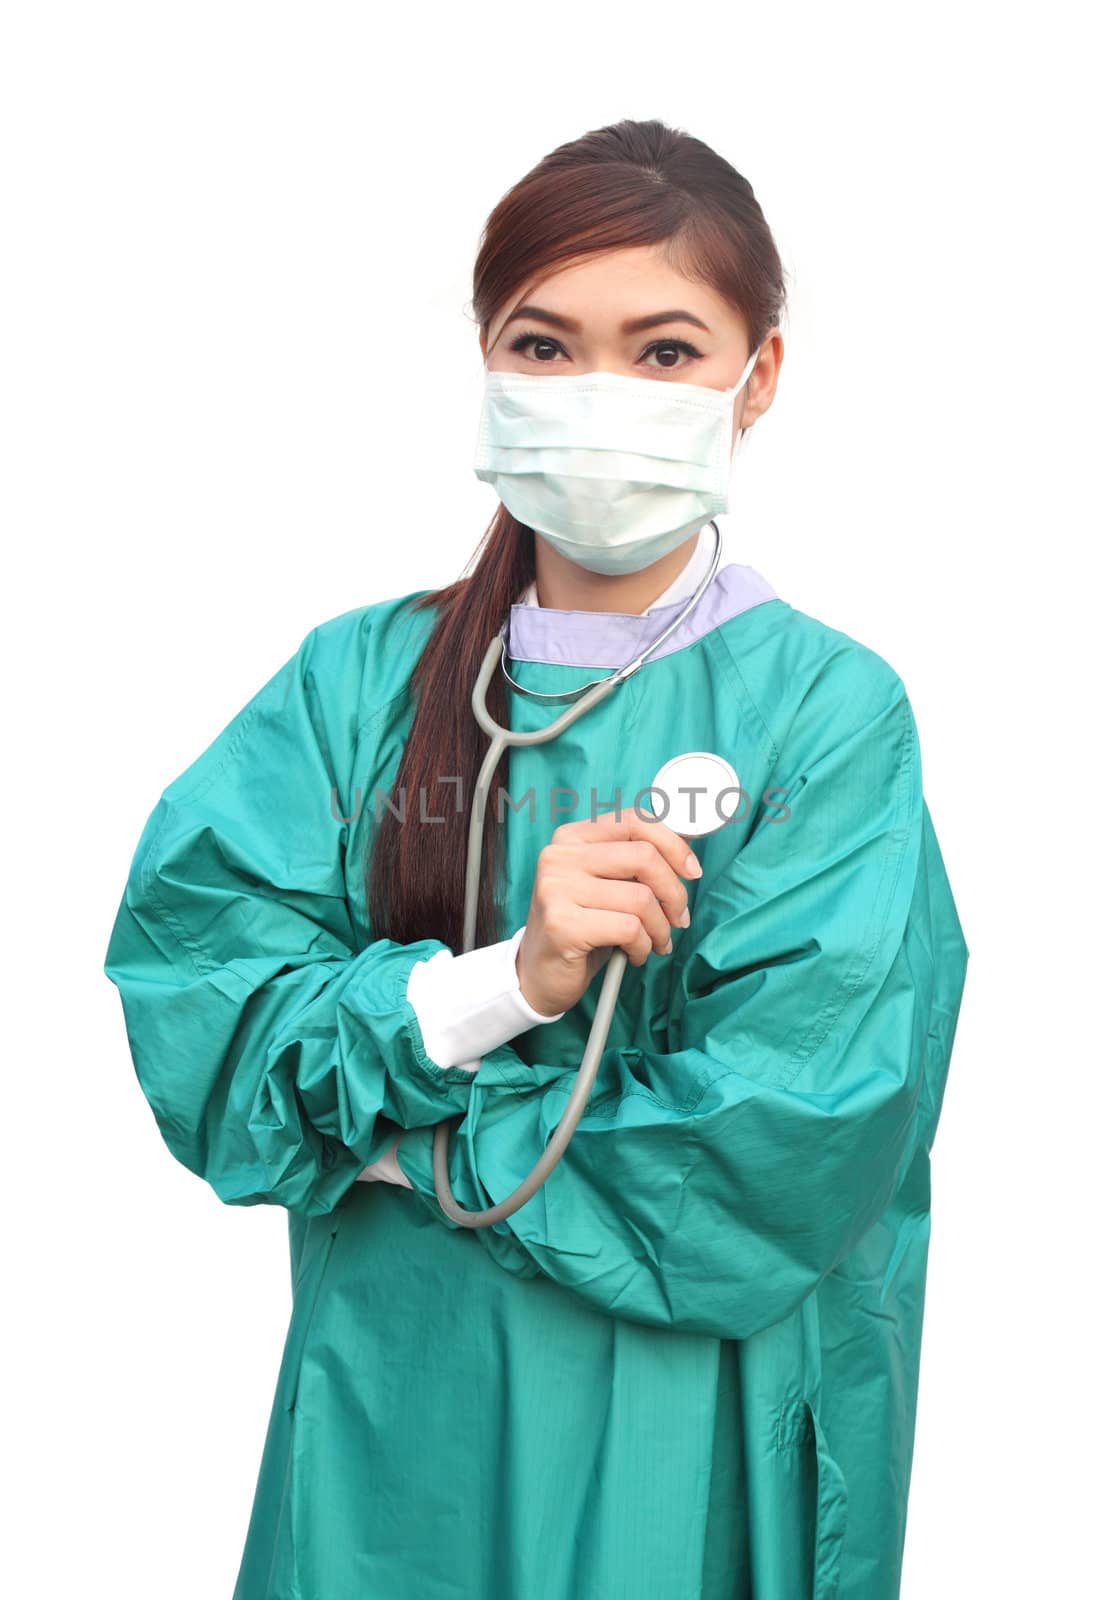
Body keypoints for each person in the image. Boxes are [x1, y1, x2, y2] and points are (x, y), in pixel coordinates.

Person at [103, 117, 969, 1600]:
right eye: (546, 346)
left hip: (679, 1453)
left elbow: (782, 1153)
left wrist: (398, 1136)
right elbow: (210, 1033)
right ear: (490, 370)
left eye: (665, 351)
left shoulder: (823, 715)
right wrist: (507, 982)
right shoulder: (356, 689)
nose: (599, 397)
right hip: (394, 1445)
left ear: (758, 377)